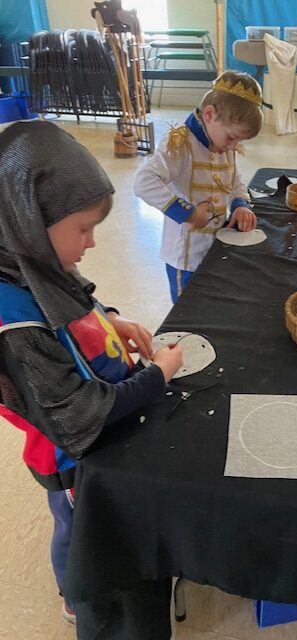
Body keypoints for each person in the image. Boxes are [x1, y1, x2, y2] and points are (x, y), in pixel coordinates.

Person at [0, 120, 183, 632]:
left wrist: (111, 319)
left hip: (81, 444)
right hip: (69, 459)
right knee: (79, 531)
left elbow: (77, 299)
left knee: (73, 522)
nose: (93, 243)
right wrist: (158, 376)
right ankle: (76, 592)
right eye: (83, 229)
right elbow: (79, 415)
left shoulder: (30, 258)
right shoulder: (12, 319)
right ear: (30, 220)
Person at [134, 70, 263, 303]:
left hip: (214, 248)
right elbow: (144, 182)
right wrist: (188, 213)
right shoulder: (180, 144)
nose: (233, 147)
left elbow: (234, 180)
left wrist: (240, 204)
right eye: (232, 137)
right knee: (187, 314)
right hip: (185, 259)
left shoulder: (222, 144)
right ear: (209, 114)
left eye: (239, 141)